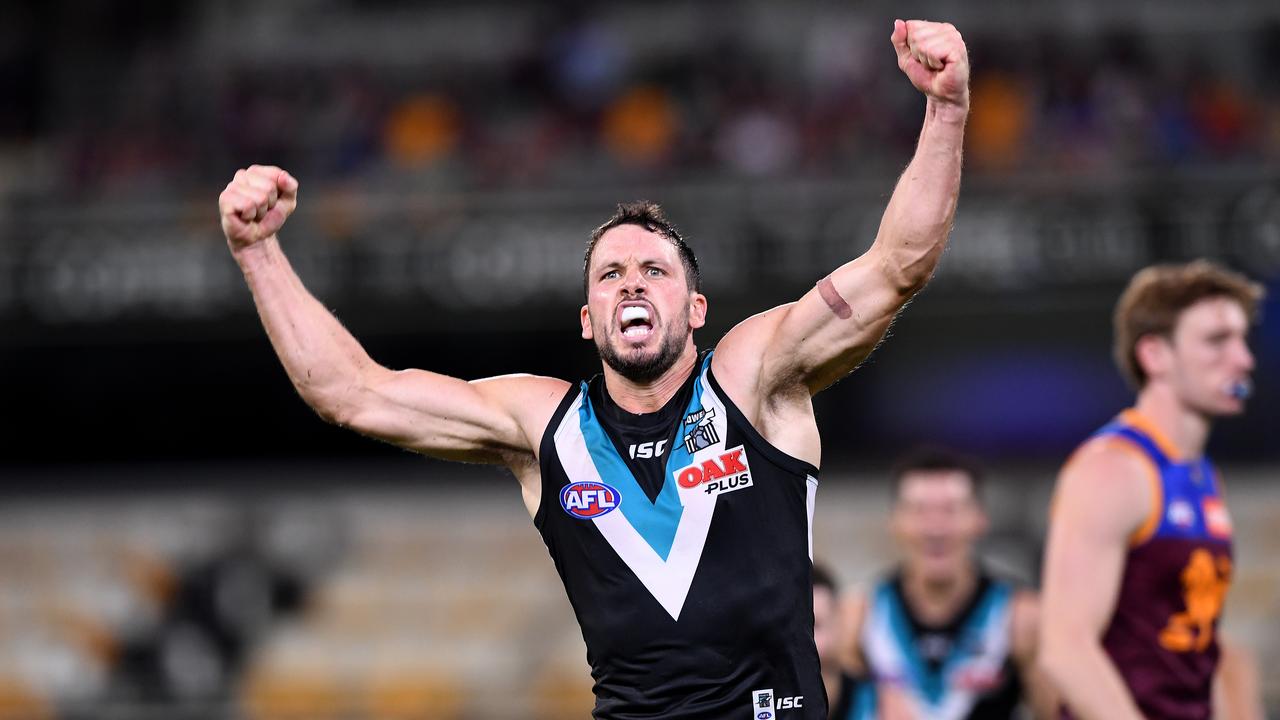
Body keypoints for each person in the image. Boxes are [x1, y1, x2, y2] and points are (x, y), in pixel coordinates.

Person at [216, 19, 969, 719]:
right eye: (610, 275)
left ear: (697, 308)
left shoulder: (751, 378)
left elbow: (895, 267)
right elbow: (351, 393)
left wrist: (946, 110)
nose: (632, 282)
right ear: (587, 320)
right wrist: (258, 252)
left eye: (654, 270)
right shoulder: (543, 425)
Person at [1038, 261, 1266, 720]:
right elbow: (1065, 649)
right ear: (1155, 355)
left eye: (1242, 339)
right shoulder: (1112, 471)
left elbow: (1192, 645)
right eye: (1217, 340)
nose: (1243, 359)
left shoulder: (1199, 474)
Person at [834, 448, 1056, 719]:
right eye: (920, 510)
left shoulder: (1022, 617)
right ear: (894, 522)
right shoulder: (856, 616)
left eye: (951, 509)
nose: (936, 528)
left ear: (980, 519)